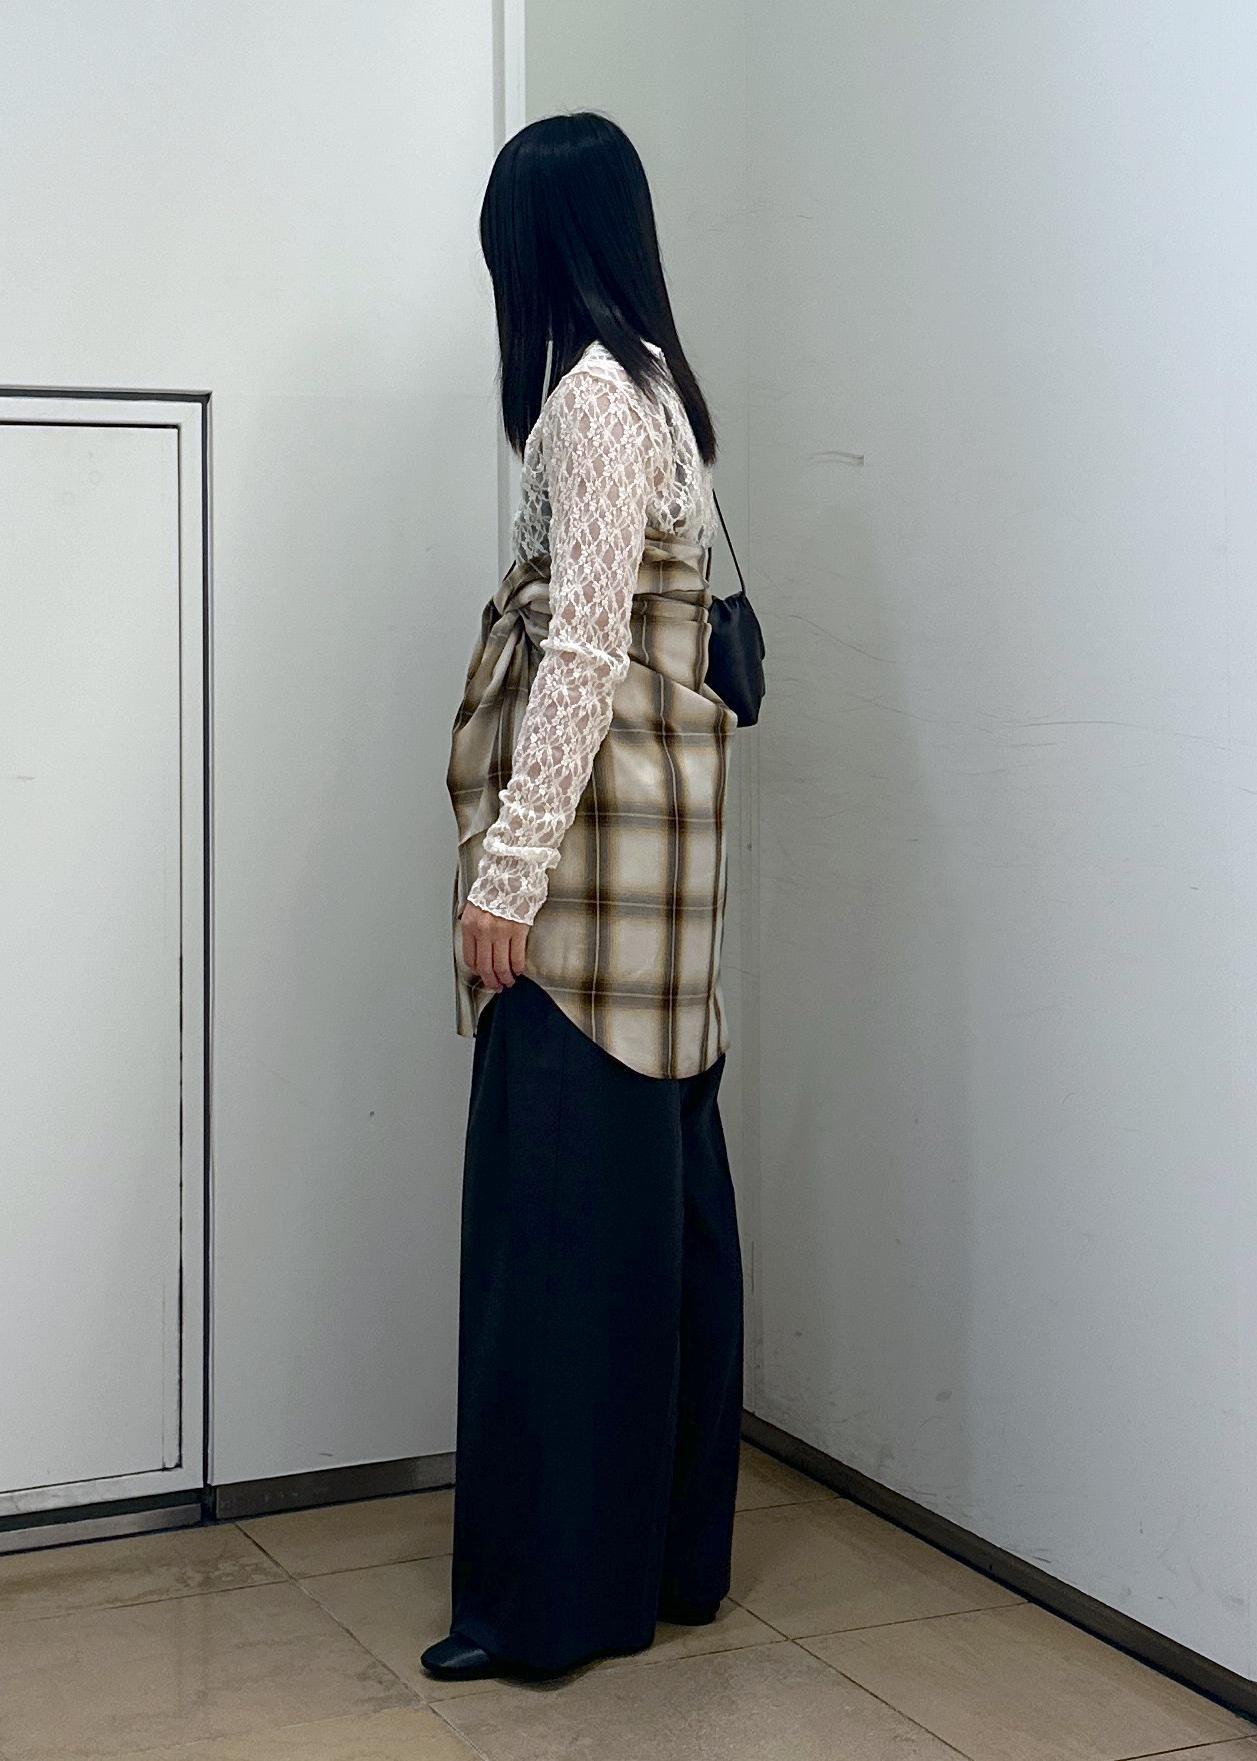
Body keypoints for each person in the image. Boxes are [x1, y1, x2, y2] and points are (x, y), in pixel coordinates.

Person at [422, 110, 744, 1684]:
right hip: (662, 894)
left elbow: (585, 645)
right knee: (651, 1227)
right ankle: (661, 1564)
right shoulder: (664, 390)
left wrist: (509, 870)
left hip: (590, 898)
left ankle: (545, 1602)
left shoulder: (593, 402)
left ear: (535, 249)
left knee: (552, 1238)